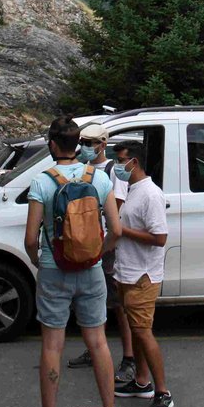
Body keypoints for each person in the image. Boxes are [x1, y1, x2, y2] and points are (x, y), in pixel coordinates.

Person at [23, 116, 124, 407]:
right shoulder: (98, 179)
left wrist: (41, 261)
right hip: (91, 271)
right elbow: (117, 231)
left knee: (53, 344)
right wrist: (96, 254)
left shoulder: (42, 182)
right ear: (78, 144)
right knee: (98, 341)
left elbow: (29, 238)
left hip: (55, 269)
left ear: (53, 145)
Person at [67, 123, 137, 382]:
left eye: (91, 142)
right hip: (87, 242)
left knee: (119, 304)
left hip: (107, 245)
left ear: (103, 144)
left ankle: (129, 358)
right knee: (95, 300)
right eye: (83, 141)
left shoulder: (112, 171)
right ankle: (94, 349)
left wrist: (107, 242)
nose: (85, 146)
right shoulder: (82, 168)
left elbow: (116, 208)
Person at [111, 141, 173, 407]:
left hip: (143, 275)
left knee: (143, 332)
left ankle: (163, 392)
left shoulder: (151, 194)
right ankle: (142, 382)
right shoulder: (131, 191)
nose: (117, 166)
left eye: (120, 160)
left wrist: (122, 230)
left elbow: (159, 238)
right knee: (137, 330)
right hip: (126, 271)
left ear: (134, 162)